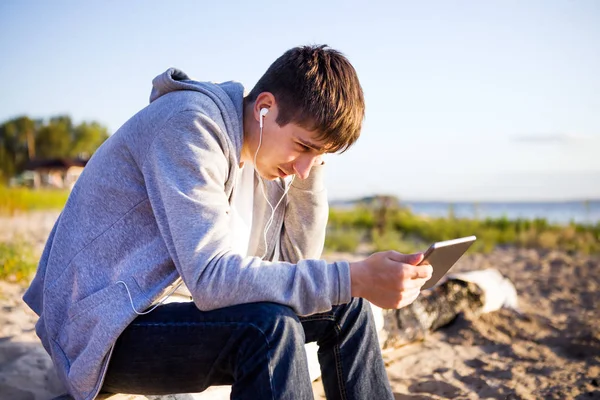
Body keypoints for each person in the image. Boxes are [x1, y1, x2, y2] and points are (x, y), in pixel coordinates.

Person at [23, 44, 433, 400]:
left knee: (350, 307)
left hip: (176, 314)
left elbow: (292, 266)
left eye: (321, 156)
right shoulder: (190, 126)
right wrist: (352, 275)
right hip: (104, 331)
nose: (304, 168)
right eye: (303, 146)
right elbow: (212, 279)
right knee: (268, 329)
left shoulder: (265, 153)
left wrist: (311, 172)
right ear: (265, 108)